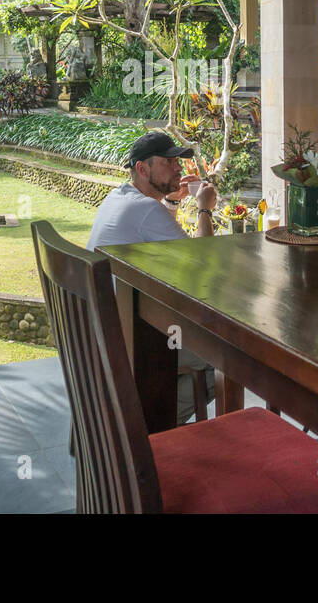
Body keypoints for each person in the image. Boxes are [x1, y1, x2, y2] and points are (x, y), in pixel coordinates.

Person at [87, 131, 219, 423]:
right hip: (132, 342)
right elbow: (205, 261)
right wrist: (204, 208)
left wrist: (171, 203)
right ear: (142, 169)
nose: (178, 169)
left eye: (178, 162)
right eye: (169, 162)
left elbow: (161, 244)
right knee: (223, 356)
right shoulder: (146, 209)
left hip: (104, 336)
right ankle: (144, 428)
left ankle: (134, 417)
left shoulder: (120, 196)